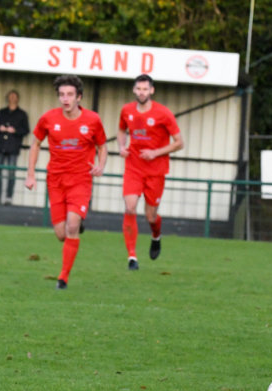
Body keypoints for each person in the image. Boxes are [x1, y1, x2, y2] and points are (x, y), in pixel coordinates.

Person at [25, 75, 107, 290]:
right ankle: (77, 224)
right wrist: (30, 174)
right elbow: (35, 144)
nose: (65, 99)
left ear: (79, 97)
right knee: (62, 234)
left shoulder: (92, 120)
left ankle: (63, 278)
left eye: (70, 94)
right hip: (56, 180)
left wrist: (100, 165)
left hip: (80, 180)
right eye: (62, 94)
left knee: (71, 225)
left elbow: (102, 146)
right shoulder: (48, 118)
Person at [116, 74, 183, 270]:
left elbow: (179, 143)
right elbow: (121, 130)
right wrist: (122, 147)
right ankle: (132, 257)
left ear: (151, 91)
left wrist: (155, 153)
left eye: (145, 89)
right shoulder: (126, 110)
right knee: (130, 208)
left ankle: (156, 235)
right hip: (133, 167)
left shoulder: (164, 114)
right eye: (138, 89)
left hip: (156, 171)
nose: (142, 92)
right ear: (134, 90)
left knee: (151, 217)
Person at [0, 89, 30, 205]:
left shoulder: (22, 114)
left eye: (14, 96)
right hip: (0, 146)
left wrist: (15, 130)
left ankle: (9, 197)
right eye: (10, 96)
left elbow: (26, 130)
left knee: (11, 173)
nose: (12, 98)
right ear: (7, 98)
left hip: (13, 147)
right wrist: (0, 128)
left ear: (17, 99)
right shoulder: (1, 112)